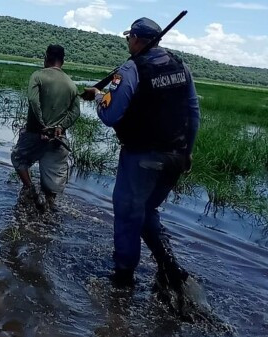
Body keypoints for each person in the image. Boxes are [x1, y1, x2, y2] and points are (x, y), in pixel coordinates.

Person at [84, 18, 200, 288]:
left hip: (141, 158)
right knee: (148, 211)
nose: (127, 42)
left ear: (136, 38)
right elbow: (193, 113)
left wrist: (98, 96)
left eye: (128, 38)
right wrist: (188, 152)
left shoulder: (129, 69)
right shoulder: (181, 66)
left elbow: (111, 115)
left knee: (127, 215)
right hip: (176, 157)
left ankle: (123, 281)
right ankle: (169, 268)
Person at [11, 45, 81, 210]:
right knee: (52, 182)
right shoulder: (71, 85)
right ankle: (47, 209)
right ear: (62, 61)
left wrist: (43, 125)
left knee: (18, 158)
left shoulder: (38, 76)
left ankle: (30, 190)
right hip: (57, 137)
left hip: (36, 133)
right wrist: (59, 126)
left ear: (46, 58)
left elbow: (33, 101)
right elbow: (75, 112)